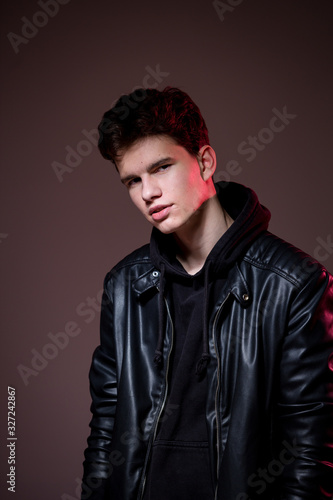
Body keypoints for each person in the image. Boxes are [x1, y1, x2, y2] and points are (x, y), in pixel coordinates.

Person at [81, 87, 333, 500]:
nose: (147, 193)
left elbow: (310, 454)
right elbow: (106, 427)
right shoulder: (124, 286)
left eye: (161, 168)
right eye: (133, 180)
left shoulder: (295, 284)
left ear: (204, 161)